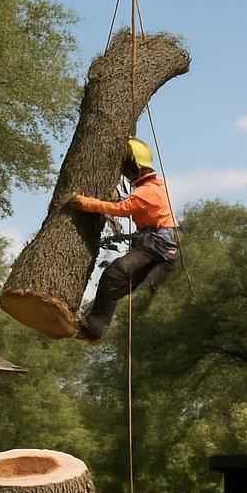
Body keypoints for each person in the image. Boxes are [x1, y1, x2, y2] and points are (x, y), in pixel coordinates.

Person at [67, 137, 178, 342]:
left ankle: (94, 327)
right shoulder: (154, 186)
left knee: (115, 274)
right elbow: (131, 203)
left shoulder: (146, 192)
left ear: (135, 167)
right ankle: (94, 327)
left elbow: (122, 209)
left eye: (127, 169)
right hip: (160, 246)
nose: (125, 174)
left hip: (156, 244)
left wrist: (84, 203)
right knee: (119, 283)